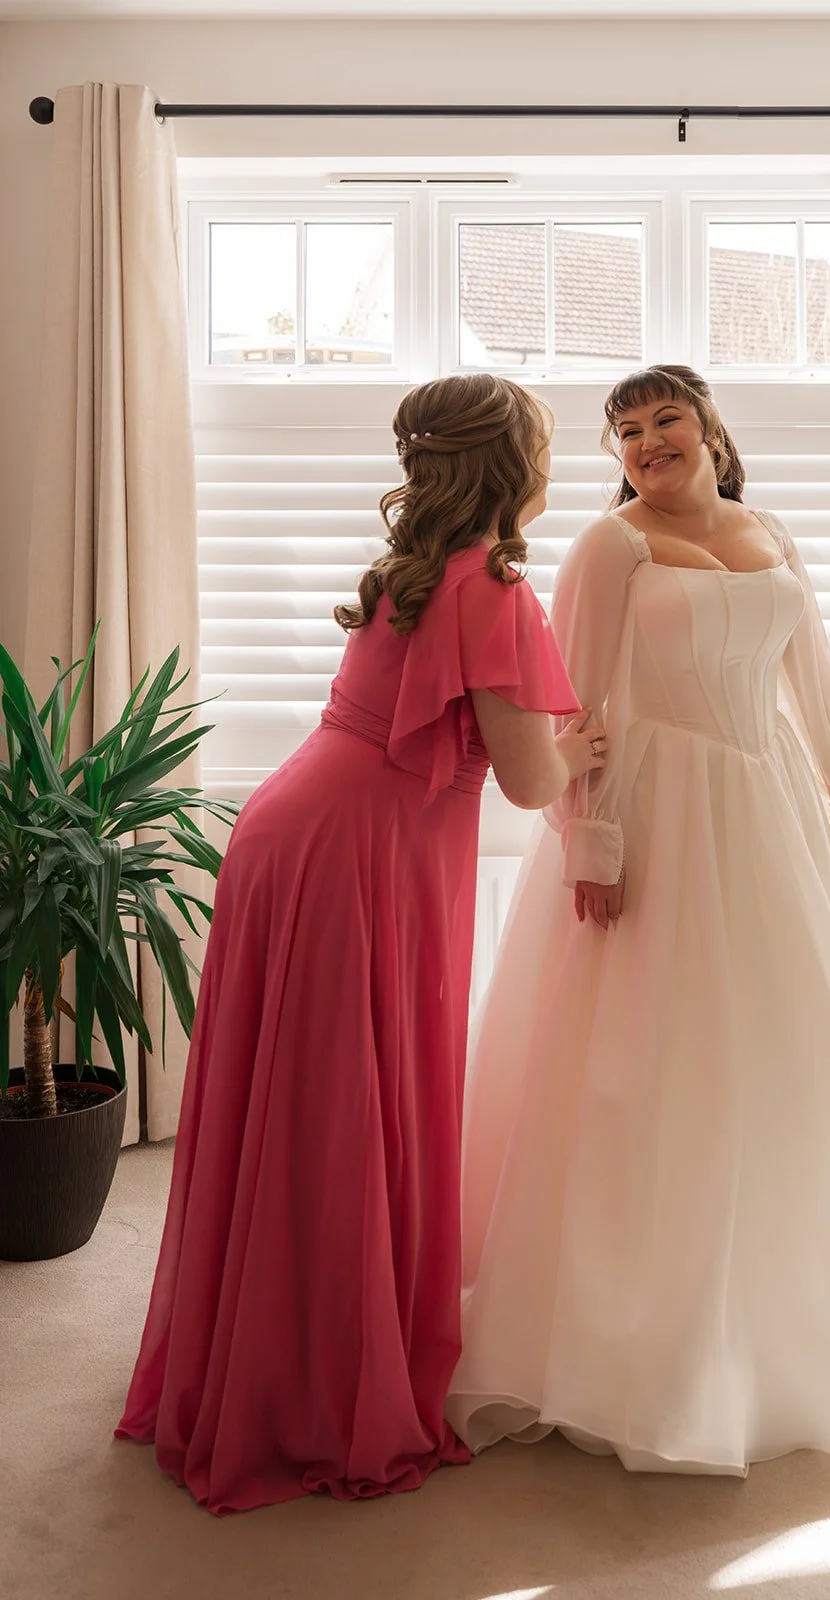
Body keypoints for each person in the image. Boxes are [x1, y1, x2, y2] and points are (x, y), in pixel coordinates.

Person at [447, 364, 830, 1476]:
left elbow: (812, 670)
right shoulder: (609, 545)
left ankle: (807, 1285)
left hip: (764, 804)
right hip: (660, 805)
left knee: (791, 1047)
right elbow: (582, 703)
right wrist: (596, 840)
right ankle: (636, 1328)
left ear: (707, 428)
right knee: (657, 1055)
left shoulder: (768, 528)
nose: (645, 441)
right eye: (624, 430)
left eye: (664, 419)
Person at [116, 374, 603, 1514]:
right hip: (359, 857)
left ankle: (263, 1357)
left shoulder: (409, 573)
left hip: (295, 827)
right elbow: (530, 781)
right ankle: (317, 1389)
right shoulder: (492, 589)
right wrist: (586, 749)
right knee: (339, 1115)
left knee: (291, 1108)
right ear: (516, 464)